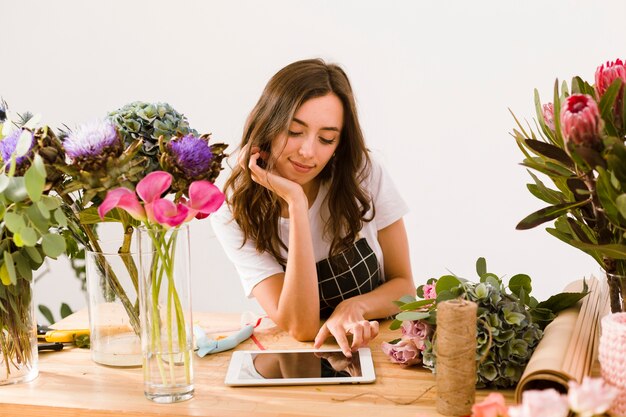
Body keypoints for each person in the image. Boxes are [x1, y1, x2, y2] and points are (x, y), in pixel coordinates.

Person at [211, 58, 414, 357]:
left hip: (379, 344)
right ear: (268, 124)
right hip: (308, 356)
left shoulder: (363, 173)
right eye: (294, 132)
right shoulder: (232, 208)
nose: (308, 152)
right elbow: (301, 327)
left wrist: (353, 306)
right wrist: (296, 202)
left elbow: (405, 286)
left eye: (326, 139)